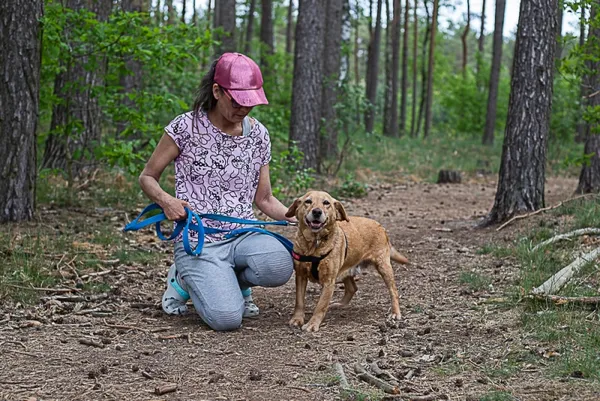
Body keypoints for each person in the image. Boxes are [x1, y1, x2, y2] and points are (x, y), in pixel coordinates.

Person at [138, 52, 295, 331]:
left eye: (250, 103)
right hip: (199, 240)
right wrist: (166, 201)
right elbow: (148, 177)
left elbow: (265, 199)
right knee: (227, 319)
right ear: (217, 91)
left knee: (279, 265)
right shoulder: (185, 127)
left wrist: (299, 216)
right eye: (237, 102)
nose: (244, 109)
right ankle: (183, 280)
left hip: (242, 236)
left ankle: (230, 280)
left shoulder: (258, 135)